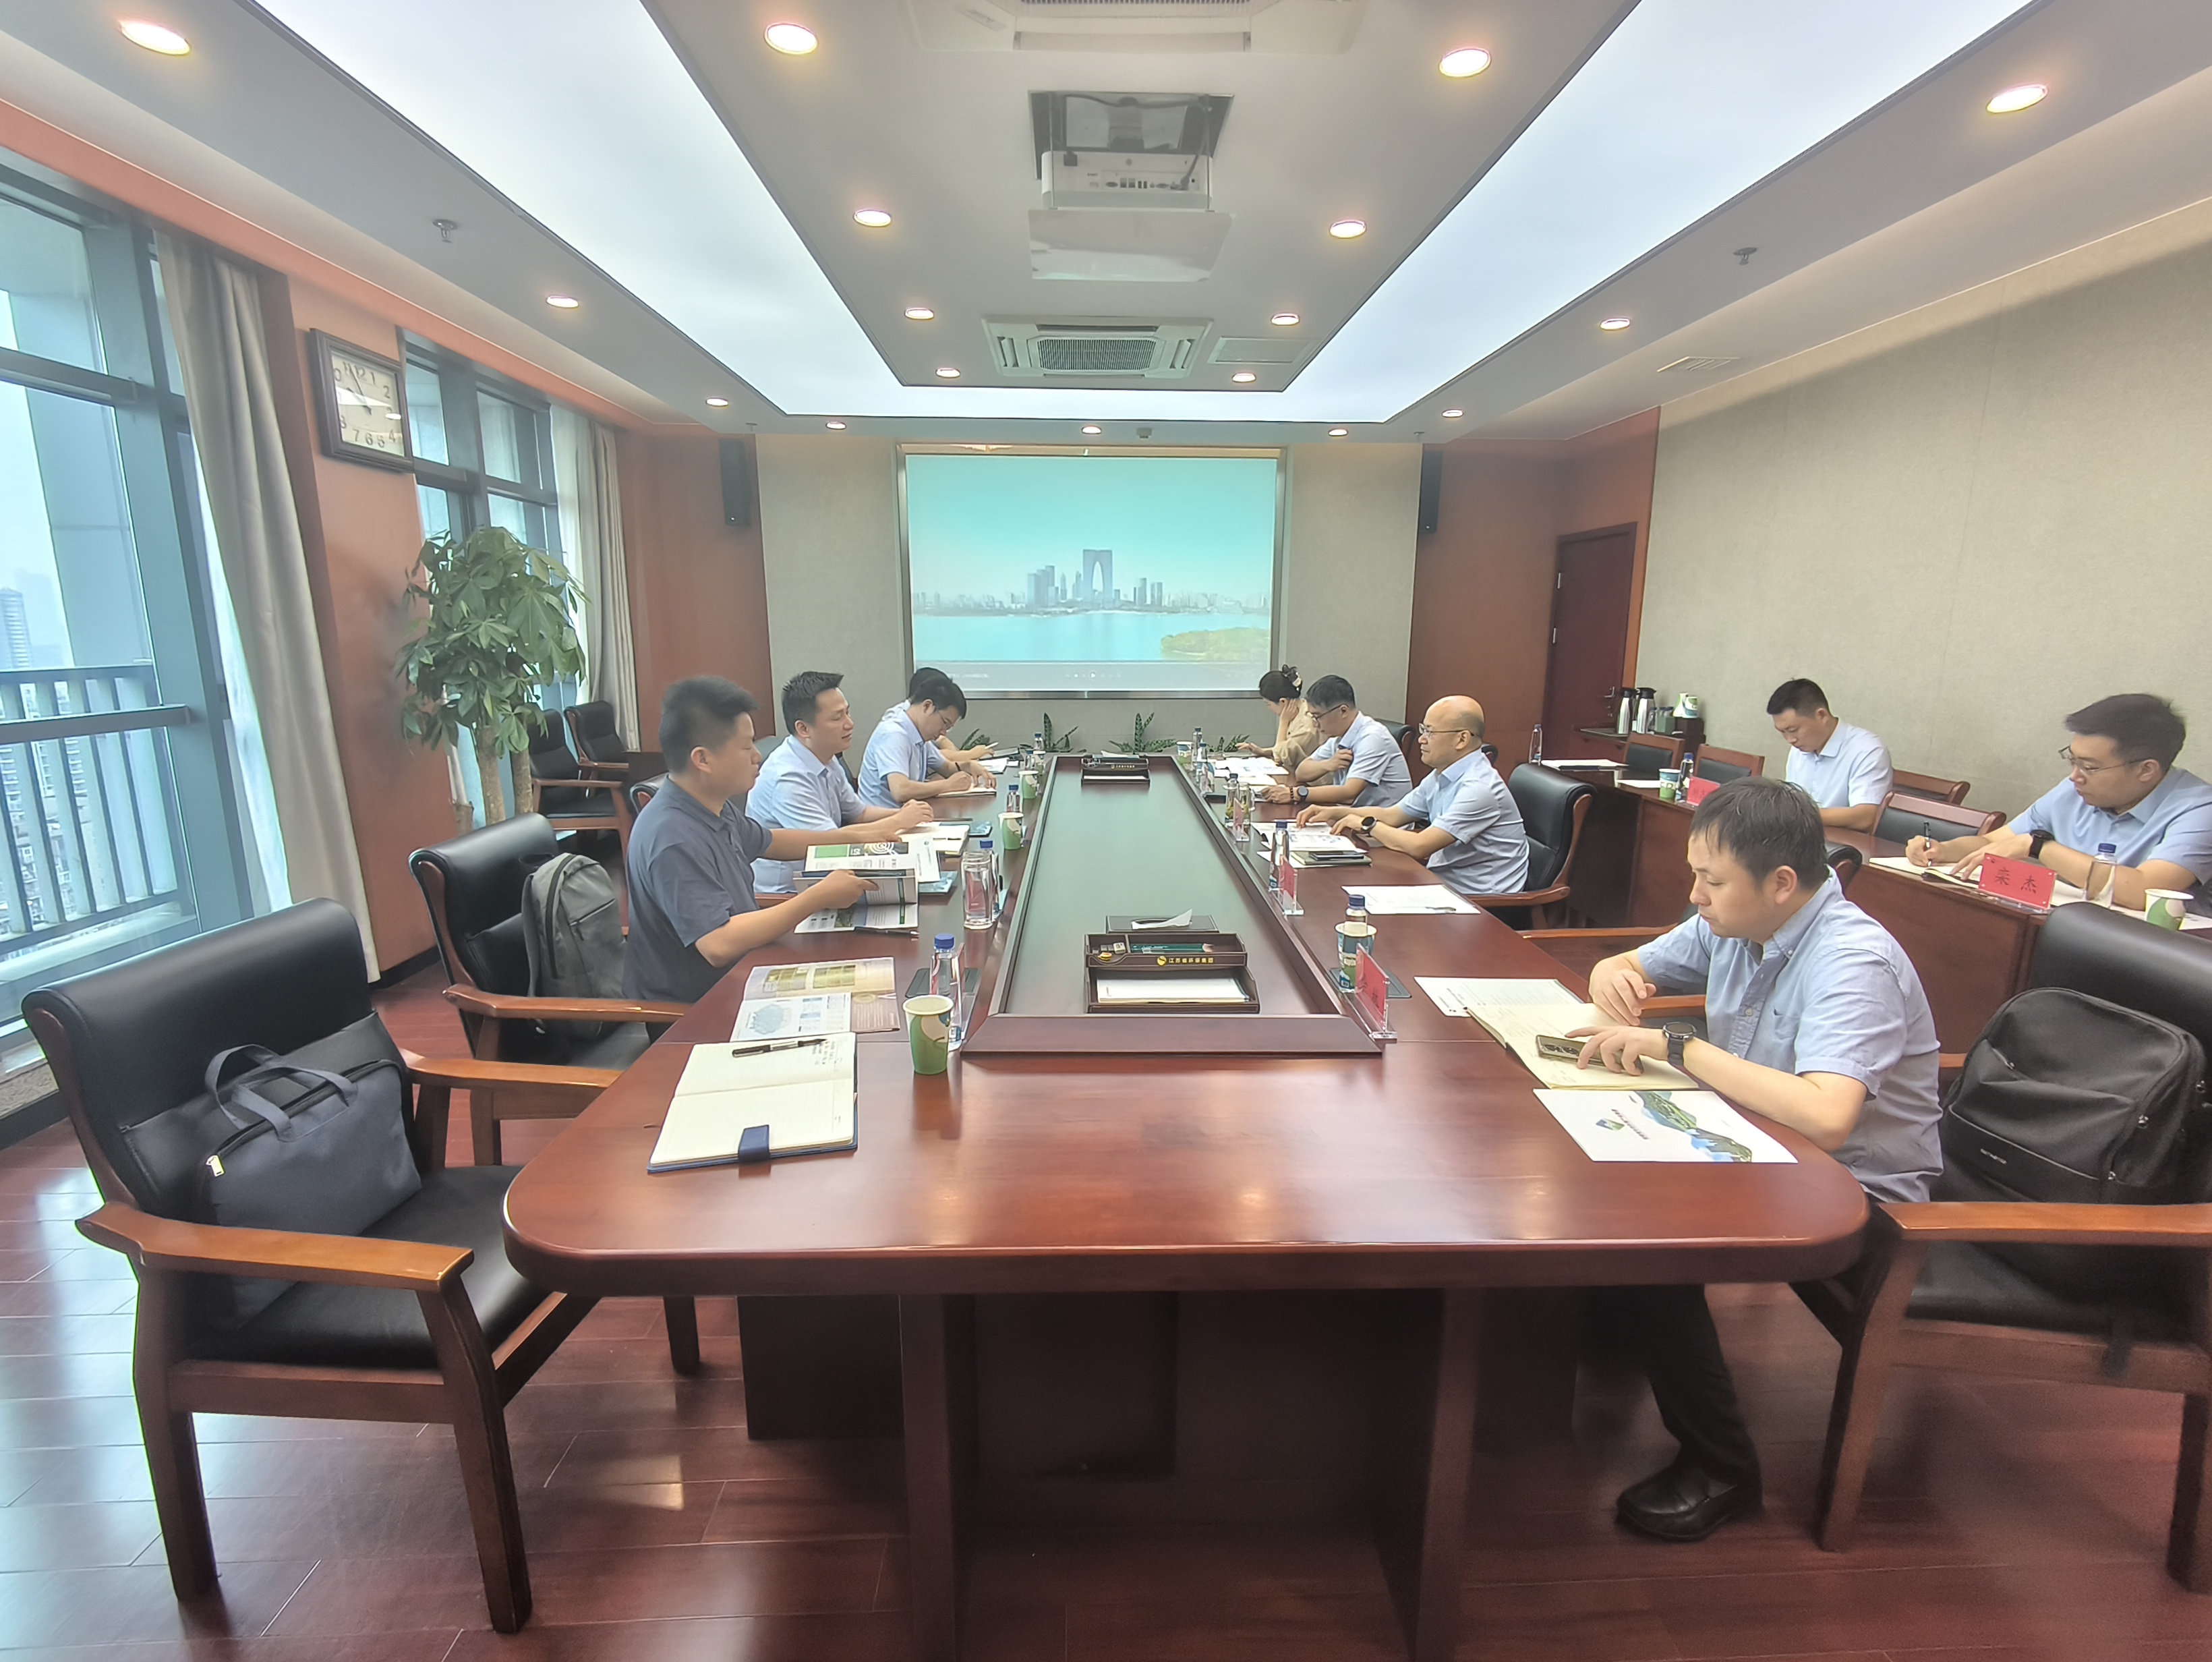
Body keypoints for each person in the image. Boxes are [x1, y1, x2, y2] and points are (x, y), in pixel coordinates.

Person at [1569, 776, 1941, 1543]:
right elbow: (1630, 964)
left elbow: (1827, 1117)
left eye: (1710, 880)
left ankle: (1722, 1468)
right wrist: (1614, 975)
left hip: (1852, 1192)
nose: (1695, 896)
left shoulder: (1853, 961)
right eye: (1694, 875)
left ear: (1780, 883)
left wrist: (1679, 1046)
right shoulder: (1733, 921)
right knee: (1599, 1175)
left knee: (1655, 1240)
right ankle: (1613, 1326)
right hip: (1760, 1143)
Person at [624, 677, 909, 1004]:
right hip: (701, 1005)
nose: (757, 756)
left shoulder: (711, 806)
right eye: (746, 747)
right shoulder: (671, 837)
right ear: (703, 759)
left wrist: (855, 837)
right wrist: (817, 897)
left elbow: (772, 841)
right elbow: (718, 944)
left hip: (748, 966)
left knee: (877, 977)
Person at [1911, 693, 2211, 912]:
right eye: (2072, 760)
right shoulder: (2075, 789)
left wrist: (2041, 847)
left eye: (2090, 767)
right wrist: (1943, 850)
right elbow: (1994, 842)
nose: (2075, 776)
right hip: (2065, 928)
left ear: (2146, 770)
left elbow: (2144, 891)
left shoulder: (2199, 810)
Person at [1295, 696, 1527, 896]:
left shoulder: (1479, 788)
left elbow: (1420, 846)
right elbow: (1393, 815)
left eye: (1431, 732)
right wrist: (1335, 812)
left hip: (1481, 901)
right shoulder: (1442, 774)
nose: (1422, 739)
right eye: (1423, 729)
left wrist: (1366, 824)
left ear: (1462, 739)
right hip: (1443, 883)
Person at [749, 670, 935, 894]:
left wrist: (909, 815)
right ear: (804, 729)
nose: (850, 724)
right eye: (837, 718)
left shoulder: (826, 756)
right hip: (788, 896)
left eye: (847, 713)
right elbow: (830, 845)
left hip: (825, 878)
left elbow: (860, 813)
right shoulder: (787, 779)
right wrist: (900, 820)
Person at [1259, 675, 1411, 809]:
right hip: (1353, 817)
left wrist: (1296, 794)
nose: (1315, 723)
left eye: (1318, 716)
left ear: (1343, 711)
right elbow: (1301, 773)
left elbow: (1349, 794)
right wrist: (1328, 764)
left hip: (1384, 825)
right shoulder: (1339, 738)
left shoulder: (1372, 738)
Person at [1767, 678, 1894, 832]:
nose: (1790, 740)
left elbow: (1866, 817)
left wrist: (1798, 815)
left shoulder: (1867, 750)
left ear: (1821, 715)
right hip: (1800, 836)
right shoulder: (1799, 749)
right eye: (1782, 732)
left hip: (1844, 843)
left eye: (1793, 730)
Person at [857, 668, 989, 809]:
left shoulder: (920, 735)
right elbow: (901, 790)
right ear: (927, 706)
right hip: (882, 819)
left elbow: (946, 768)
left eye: (949, 727)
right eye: (945, 723)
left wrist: (968, 766)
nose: (944, 733)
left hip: (905, 814)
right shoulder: (894, 734)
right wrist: (947, 785)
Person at [906, 665, 997, 774]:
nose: (943, 732)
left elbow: (941, 744)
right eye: (945, 722)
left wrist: (959, 762)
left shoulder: (922, 726)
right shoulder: (900, 729)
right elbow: (940, 755)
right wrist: (970, 755)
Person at [1238, 664, 1322, 773]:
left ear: (1283, 702)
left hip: (1310, 781)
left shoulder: (1306, 724)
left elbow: (1282, 757)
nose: (1269, 708)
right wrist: (1263, 752)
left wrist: (1283, 722)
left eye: (1268, 704)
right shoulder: (1300, 709)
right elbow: (1287, 748)